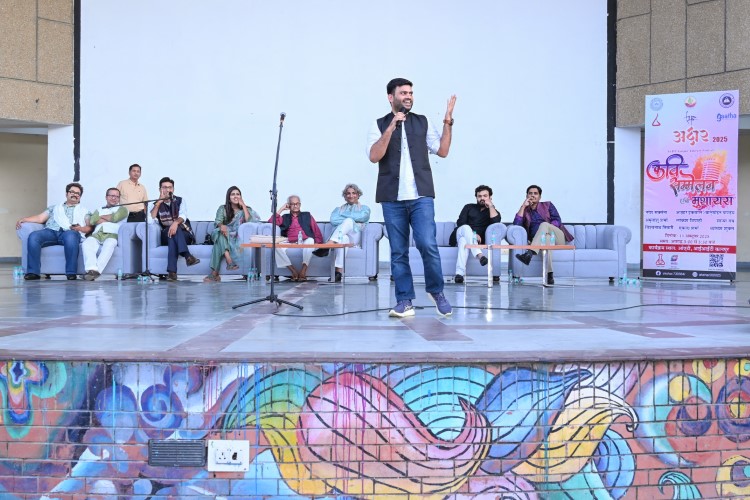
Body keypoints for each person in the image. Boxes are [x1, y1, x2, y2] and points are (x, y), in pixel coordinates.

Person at [367, 77, 455, 318]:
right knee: (398, 251)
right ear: (391, 97)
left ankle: (436, 291)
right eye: (403, 93)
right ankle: (404, 301)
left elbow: (442, 151)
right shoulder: (378, 124)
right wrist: (391, 127)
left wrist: (448, 121)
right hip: (391, 199)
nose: (408, 97)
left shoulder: (422, 122)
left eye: (411, 93)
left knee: (427, 244)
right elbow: (374, 156)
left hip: (420, 196)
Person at [16, 182, 90, 280]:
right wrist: (25, 219)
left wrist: (81, 228)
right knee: (34, 236)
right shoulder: (54, 208)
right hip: (51, 231)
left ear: (80, 197)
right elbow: (40, 218)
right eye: (72, 192)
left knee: (71, 236)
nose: (74, 194)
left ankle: (71, 273)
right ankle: (33, 272)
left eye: (77, 193)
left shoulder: (84, 211)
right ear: (66, 194)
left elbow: (89, 226)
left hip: (69, 232)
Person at [513, 184, 574, 285]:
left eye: (535, 193)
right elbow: (516, 225)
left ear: (540, 197)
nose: (533, 195)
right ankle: (549, 275)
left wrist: (547, 228)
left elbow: (557, 220)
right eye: (530, 193)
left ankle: (530, 253)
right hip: (542, 240)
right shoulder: (525, 211)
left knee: (544, 225)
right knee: (546, 240)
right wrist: (523, 206)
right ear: (527, 196)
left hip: (556, 236)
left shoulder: (548, 205)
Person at [204, 186, 260, 282]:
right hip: (223, 233)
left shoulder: (246, 209)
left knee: (219, 242)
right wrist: (222, 226)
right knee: (219, 232)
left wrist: (243, 205)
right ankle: (229, 260)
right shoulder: (222, 208)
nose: (235, 196)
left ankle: (214, 274)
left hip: (236, 236)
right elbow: (218, 221)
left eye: (238, 194)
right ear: (229, 198)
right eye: (233, 194)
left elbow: (250, 222)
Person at [150, 177, 200, 281]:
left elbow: (183, 216)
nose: (167, 190)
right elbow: (150, 219)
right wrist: (158, 203)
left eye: (170, 187)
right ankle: (187, 256)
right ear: (160, 189)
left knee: (173, 234)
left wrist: (175, 223)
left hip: (184, 233)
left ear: (173, 189)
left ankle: (172, 272)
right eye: (164, 187)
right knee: (171, 233)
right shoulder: (155, 204)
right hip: (166, 234)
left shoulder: (180, 200)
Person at [449, 185, 501, 284]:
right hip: (460, 233)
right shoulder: (468, 207)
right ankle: (479, 255)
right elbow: (461, 223)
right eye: (479, 196)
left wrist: (491, 206)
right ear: (476, 197)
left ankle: (459, 274)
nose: (482, 198)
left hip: (471, 241)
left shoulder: (492, 212)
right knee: (465, 228)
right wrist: (473, 234)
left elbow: (496, 224)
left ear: (490, 197)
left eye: (485, 196)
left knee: (464, 242)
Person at [269, 195, 323, 281]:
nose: (295, 206)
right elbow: (271, 222)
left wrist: (318, 243)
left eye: (297, 203)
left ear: (300, 205)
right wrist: (281, 209)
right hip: (289, 241)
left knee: (311, 240)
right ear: (288, 205)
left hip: (304, 240)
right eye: (293, 204)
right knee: (275, 245)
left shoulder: (307, 215)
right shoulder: (285, 217)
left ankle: (303, 270)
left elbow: (315, 229)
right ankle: (292, 270)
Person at [81, 188, 129, 281]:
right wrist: (108, 217)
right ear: (106, 197)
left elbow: (115, 218)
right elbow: (92, 221)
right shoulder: (99, 209)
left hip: (112, 234)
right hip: (97, 234)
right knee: (87, 243)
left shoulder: (123, 209)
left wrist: (100, 217)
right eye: (112, 196)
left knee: (109, 245)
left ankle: (95, 272)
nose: (114, 198)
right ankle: (92, 269)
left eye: (117, 196)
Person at [327, 183, 371, 282]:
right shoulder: (338, 209)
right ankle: (338, 272)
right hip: (342, 236)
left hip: (355, 235)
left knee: (349, 221)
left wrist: (345, 217)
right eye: (348, 193)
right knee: (344, 238)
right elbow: (333, 220)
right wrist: (353, 218)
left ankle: (330, 243)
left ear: (358, 195)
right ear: (345, 196)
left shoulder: (364, 209)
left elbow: (363, 217)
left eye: (354, 193)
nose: (351, 195)